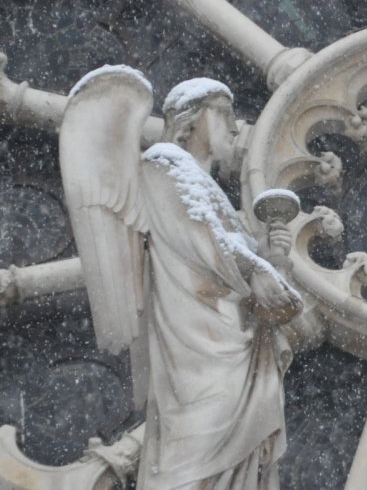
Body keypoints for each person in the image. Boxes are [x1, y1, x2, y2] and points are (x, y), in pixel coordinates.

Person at [62, 72, 300, 489]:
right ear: (192, 119)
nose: (234, 125)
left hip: (231, 347)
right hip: (196, 350)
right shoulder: (162, 168)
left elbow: (232, 260)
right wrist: (255, 265)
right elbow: (201, 242)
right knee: (194, 462)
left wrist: (272, 257)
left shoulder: (211, 193)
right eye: (223, 113)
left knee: (235, 468)